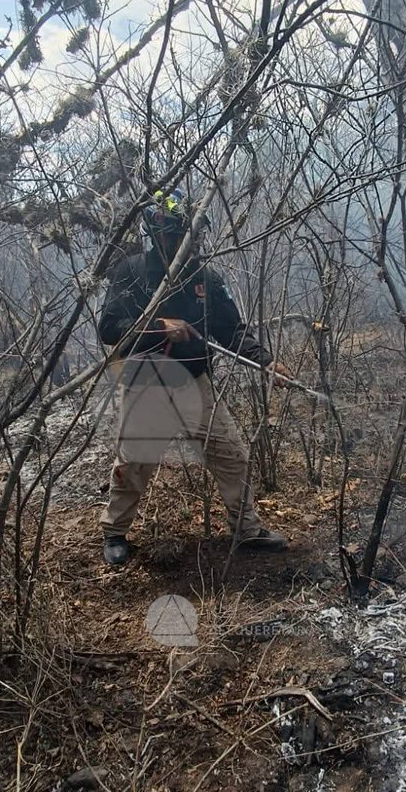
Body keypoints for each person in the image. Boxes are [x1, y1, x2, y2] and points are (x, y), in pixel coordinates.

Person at [98, 189, 290, 567]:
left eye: (190, 233)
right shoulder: (131, 273)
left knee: (232, 455)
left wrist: (265, 360)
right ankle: (115, 532)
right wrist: (156, 326)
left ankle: (246, 529)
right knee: (133, 463)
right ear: (156, 234)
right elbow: (109, 329)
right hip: (146, 384)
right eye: (174, 234)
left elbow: (231, 329)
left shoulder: (205, 278)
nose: (186, 242)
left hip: (194, 383)